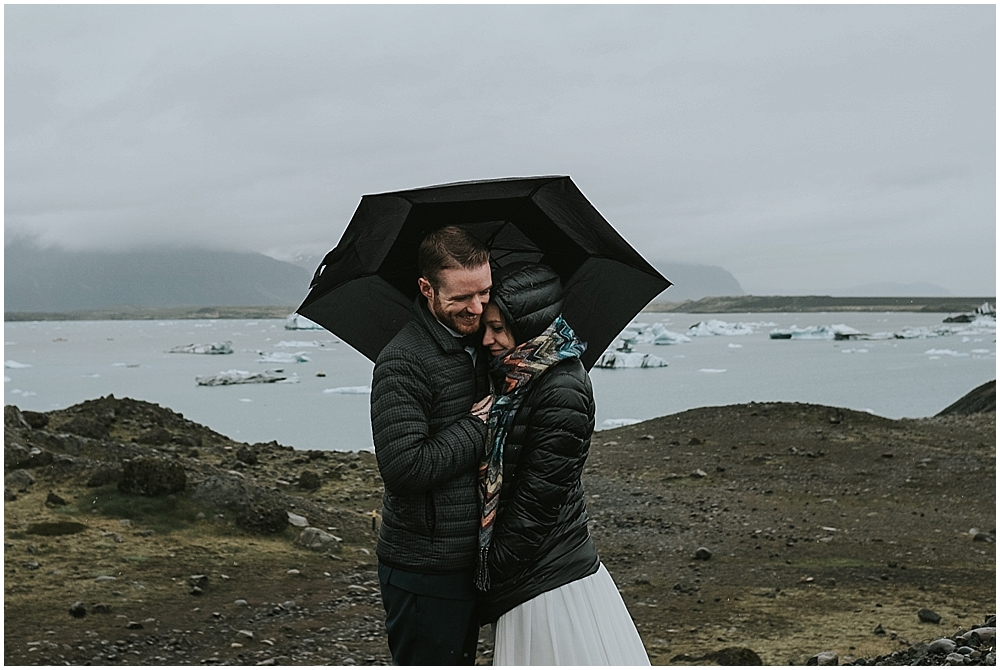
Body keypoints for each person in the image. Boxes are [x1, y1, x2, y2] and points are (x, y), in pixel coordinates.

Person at [476, 262, 650, 666]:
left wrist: (490, 571)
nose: (487, 339)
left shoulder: (561, 387)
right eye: (486, 326)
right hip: (536, 571)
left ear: (528, 323)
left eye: (498, 328)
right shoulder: (519, 377)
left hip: (548, 579)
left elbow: (538, 500)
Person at [370, 225, 494, 665]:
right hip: (424, 567)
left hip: (466, 559)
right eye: (462, 297)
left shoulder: (476, 346)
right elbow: (405, 468)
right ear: (427, 288)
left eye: (483, 292)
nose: (477, 307)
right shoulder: (402, 360)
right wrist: (479, 427)